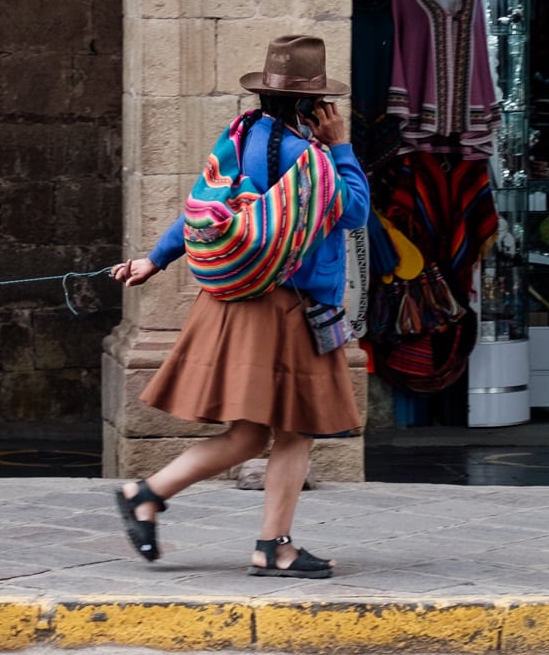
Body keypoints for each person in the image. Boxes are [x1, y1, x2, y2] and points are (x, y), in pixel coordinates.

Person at [110, 35, 370, 578]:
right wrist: (340, 145)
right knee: (295, 429)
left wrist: (154, 260)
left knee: (252, 434)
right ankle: (273, 547)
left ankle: (148, 495)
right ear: (310, 105)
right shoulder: (311, 158)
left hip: (237, 307)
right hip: (287, 310)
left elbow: (200, 209)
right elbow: (356, 212)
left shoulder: (239, 137)